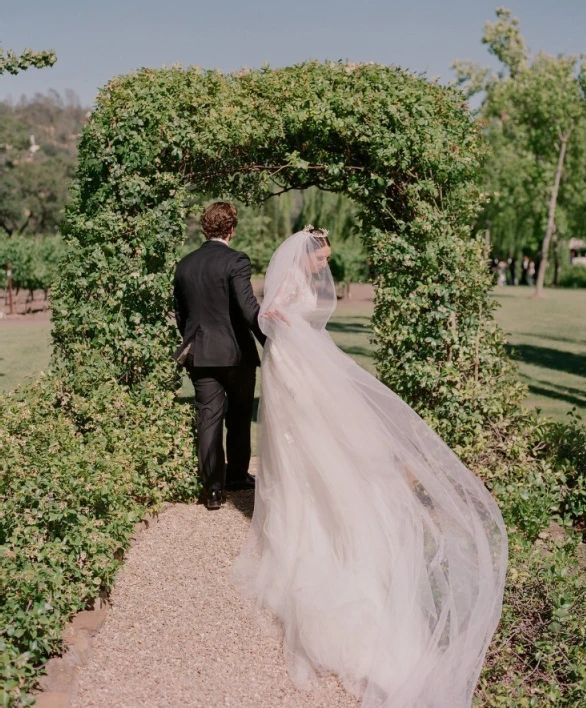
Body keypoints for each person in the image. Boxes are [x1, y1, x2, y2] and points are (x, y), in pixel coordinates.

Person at [232, 225, 508, 708]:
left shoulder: (302, 279)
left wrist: (287, 327)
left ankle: (308, 508)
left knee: (314, 448)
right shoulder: (291, 279)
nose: (324, 266)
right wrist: (283, 323)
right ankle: (299, 517)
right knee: (297, 448)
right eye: (322, 259)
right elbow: (271, 314)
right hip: (290, 370)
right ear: (308, 254)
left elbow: (280, 318)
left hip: (297, 365)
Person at [173, 202, 266, 510]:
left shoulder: (185, 264)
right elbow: (247, 307)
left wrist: (194, 339)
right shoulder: (236, 260)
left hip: (200, 355)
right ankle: (237, 476)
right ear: (231, 229)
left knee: (208, 420)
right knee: (239, 417)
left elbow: (181, 315)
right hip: (236, 354)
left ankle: (213, 490)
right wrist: (271, 339)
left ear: (205, 228)